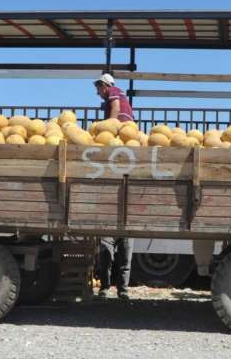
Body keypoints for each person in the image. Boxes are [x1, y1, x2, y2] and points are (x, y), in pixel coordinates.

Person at [93, 73, 133, 300]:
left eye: (98, 88)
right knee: (114, 250)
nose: (97, 92)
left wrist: (109, 125)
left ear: (105, 85)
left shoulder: (114, 93)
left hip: (121, 133)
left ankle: (118, 289)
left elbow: (116, 109)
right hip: (114, 210)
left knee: (119, 250)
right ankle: (112, 288)